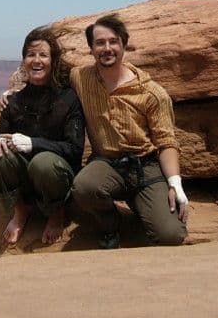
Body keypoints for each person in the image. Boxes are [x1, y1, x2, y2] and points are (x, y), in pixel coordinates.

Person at [70, 13, 188, 248]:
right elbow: (48, 82)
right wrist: (14, 94)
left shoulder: (151, 93)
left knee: (171, 235)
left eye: (113, 42)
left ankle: (143, 207)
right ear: (91, 49)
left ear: (124, 45)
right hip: (106, 164)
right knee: (84, 187)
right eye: (100, 43)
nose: (107, 48)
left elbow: (166, 142)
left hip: (145, 167)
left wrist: (175, 184)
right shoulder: (80, 77)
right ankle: (111, 226)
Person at [0, 26, 85, 245]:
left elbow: (75, 150)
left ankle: (56, 213)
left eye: (43, 55)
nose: (36, 60)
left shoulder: (68, 99)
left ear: (52, 61)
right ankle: (21, 209)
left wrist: (32, 143)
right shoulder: (14, 101)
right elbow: (1, 136)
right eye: (31, 54)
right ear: (24, 61)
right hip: (26, 177)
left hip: (56, 174)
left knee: (43, 162)